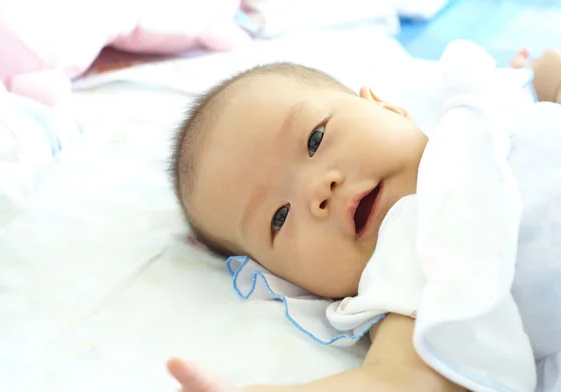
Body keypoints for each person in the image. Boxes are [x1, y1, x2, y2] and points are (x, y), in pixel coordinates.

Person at [166, 46, 561, 392]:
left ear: (384, 106)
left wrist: (543, 82)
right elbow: (399, 381)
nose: (318, 191)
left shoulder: (475, 114)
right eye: (279, 218)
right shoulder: (407, 273)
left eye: (314, 140)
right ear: (291, 283)